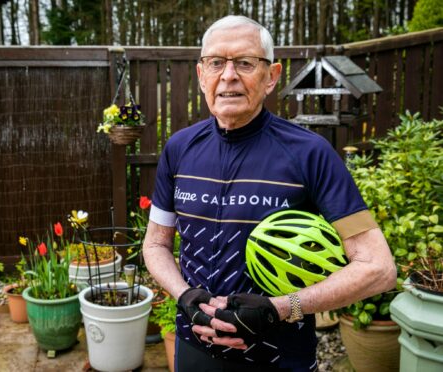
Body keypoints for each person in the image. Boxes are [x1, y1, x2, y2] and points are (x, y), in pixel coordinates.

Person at [142, 15, 396, 372]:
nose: (228, 75)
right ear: (201, 75)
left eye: (245, 63)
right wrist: (184, 295)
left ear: (271, 77)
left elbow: (378, 267)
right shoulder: (179, 149)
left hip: (279, 357)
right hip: (194, 349)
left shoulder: (310, 153)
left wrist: (280, 308)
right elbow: (155, 245)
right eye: (216, 62)